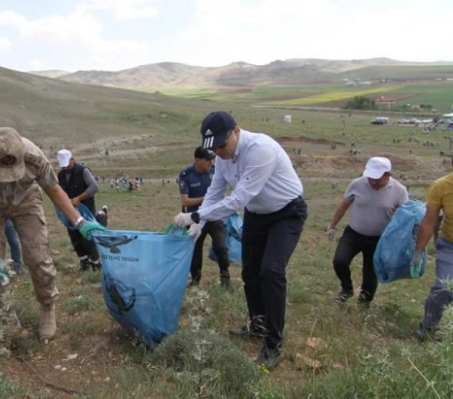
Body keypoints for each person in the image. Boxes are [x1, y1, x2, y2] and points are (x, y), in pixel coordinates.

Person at [172, 111, 307, 370]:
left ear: (236, 131)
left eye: (222, 145)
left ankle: (273, 343)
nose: (219, 152)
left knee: (272, 271)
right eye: (214, 149)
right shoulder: (223, 157)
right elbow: (214, 193)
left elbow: (238, 199)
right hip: (257, 214)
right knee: (250, 272)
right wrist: (198, 224)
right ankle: (257, 325)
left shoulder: (261, 150)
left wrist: (196, 214)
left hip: (286, 213)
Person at [0, 128, 104, 340]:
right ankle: (6, 315)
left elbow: (54, 190)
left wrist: (79, 221)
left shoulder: (33, 156)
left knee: (38, 256)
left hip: (26, 201)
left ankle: (47, 307)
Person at [326, 157, 408, 306]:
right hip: (353, 233)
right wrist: (332, 226)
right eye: (370, 178)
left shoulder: (399, 191)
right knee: (340, 261)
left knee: (370, 273)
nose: (373, 182)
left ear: (388, 175)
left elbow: (405, 217)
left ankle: (364, 303)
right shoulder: (357, 184)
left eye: (377, 178)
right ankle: (347, 289)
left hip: (379, 239)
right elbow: (343, 205)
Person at [178, 146, 231, 288]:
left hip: (214, 217)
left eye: (212, 159)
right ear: (198, 160)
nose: (211, 162)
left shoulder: (214, 171)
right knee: (195, 251)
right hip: (195, 218)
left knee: (221, 247)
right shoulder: (186, 174)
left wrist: (214, 202)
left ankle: (225, 277)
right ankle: (195, 280)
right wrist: (208, 199)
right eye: (207, 160)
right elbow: (185, 201)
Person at [412, 161, 453, 341]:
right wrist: (418, 252)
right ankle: (427, 327)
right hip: (449, 245)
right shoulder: (441, 186)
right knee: (444, 288)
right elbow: (429, 221)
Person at [56, 149, 103, 271]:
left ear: (73, 159)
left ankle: (96, 263)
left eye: (67, 165)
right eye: (63, 166)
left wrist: (79, 198)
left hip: (86, 210)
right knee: (75, 237)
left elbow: (94, 187)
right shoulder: (60, 175)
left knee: (87, 237)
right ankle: (84, 262)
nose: (65, 168)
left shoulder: (83, 171)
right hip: (69, 211)